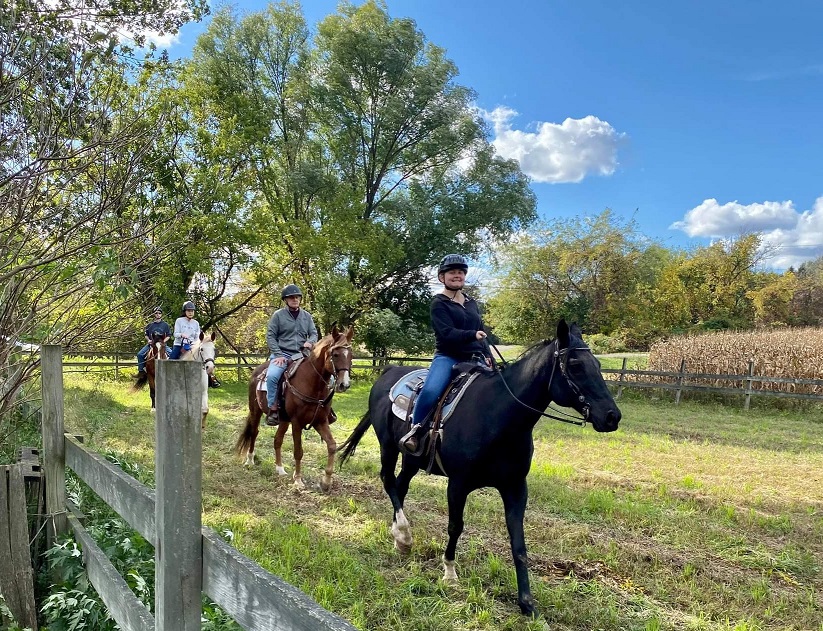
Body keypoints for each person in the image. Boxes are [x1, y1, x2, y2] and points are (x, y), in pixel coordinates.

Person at [400, 254, 491, 452]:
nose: (457, 276)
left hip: (475, 358)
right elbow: (446, 333)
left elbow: (482, 332)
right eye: (452, 272)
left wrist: (489, 357)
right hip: (448, 356)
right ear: (442, 277)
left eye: (460, 272)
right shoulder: (439, 303)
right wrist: (472, 334)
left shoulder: (472, 303)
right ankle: (415, 430)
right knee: (432, 390)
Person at [264, 284, 318, 425]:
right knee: (272, 377)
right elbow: (270, 336)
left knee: (325, 378)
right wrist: (278, 354)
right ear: (286, 300)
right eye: (291, 297)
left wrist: (310, 342)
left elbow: (314, 333)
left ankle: (324, 408)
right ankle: (273, 409)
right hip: (282, 354)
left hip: (302, 354)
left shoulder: (307, 316)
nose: (295, 299)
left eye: (297, 297)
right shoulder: (278, 316)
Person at [135, 306, 171, 377]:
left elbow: (169, 335)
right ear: (154, 314)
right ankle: (141, 371)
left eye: (159, 313)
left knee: (172, 354)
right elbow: (146, 334)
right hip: (152, 344)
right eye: (156, 313)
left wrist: (163, 341)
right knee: (139, 354)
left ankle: (171, 371)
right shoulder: (149, 325)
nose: (158, 314)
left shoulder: (165, 325)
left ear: (161, 314)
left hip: (162, 345)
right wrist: (148, 340)